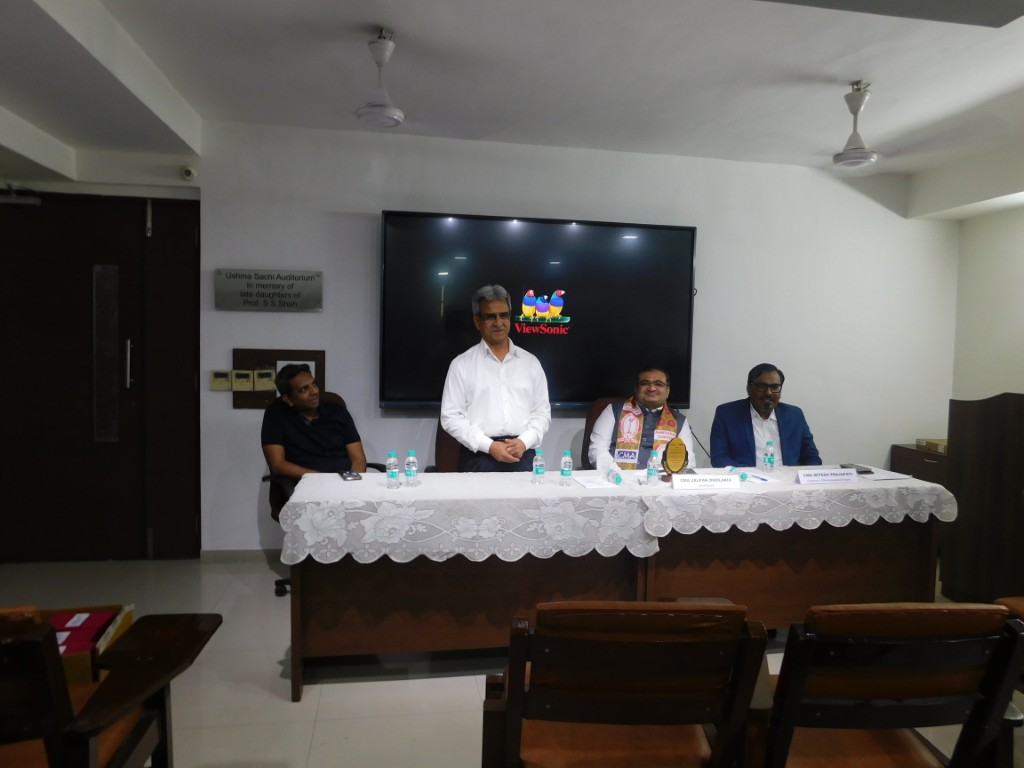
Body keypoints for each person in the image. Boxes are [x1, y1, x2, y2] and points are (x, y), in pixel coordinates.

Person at [440, 284, 551, 471]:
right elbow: (450, 417)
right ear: (477, 321)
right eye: (491, 317)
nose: (498, 323)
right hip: (479, 456)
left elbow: (542, 413)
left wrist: (524, 442)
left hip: (522, 453)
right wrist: (489, 446)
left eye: (504, 315)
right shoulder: (461, 365)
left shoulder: (531, 363)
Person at [261, 363, 367, 496]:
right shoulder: (276, 415)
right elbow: (278, 465)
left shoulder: (338, 412)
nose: (314, 391)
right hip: (304, 487)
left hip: (344, 485)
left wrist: (351, 485)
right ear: (288, 399)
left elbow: (358, 459)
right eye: (304, 389)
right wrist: (319, 479)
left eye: (314, 384)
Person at [709, 363, 821, 468]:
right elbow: (719, 458)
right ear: (749, 388)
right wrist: (749, 477)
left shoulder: (794, 415)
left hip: (788, 479)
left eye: (775, 387)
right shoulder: (727, 414)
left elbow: (811, 457)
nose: (769, 393)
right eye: (762, 386)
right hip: (747, 480)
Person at [588, 366, 695, 471]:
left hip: (660, 479)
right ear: (636, 388)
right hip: (616, 477)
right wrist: (616, 473)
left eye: (658, 384)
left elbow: (687, 459)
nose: (652, 388)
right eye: (645, 383)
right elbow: (597, 449)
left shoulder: (679, 420)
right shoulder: (613, 410)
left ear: (667, 390)